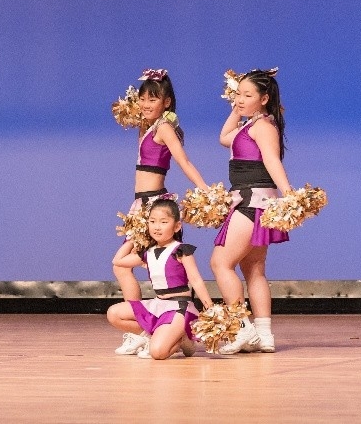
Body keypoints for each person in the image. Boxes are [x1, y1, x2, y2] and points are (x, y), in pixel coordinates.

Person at [112, 69, 208, 355]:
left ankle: (156, 331)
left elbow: (184, 161)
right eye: (142, 98)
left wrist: (205, 189)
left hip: (152, 205)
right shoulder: (147, 126)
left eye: (153, 99)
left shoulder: (164, 128)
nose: (145, 104)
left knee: (123, 265)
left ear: (166, 102)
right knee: (123, 265)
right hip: (140, 205)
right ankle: (150, 329)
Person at [209, 68, 292, 354]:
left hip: (251, 202)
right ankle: (264, 334)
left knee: (220, 263)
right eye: (237, 94)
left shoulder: (263, 127)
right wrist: (237, 107)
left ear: (264, 99)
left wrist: (289, 194)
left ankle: (242, 327)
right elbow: (224, 137)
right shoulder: (251, 125)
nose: (240, 100)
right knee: (254, 269)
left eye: (247, 95)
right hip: (253, 202)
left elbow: (271, 160)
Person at [107, 198, 214, 359]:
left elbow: (196, 281)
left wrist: (210, 308)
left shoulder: (181, 250)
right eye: (152, 221)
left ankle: (182, 338)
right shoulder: (148, 252)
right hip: (157, 305)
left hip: (178, 308)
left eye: (164, 222)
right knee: (114, 313)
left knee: (157, 353)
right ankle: (156, 336)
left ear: (177, 226)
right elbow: (118, 261)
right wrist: (133, 236)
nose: (157, 227)